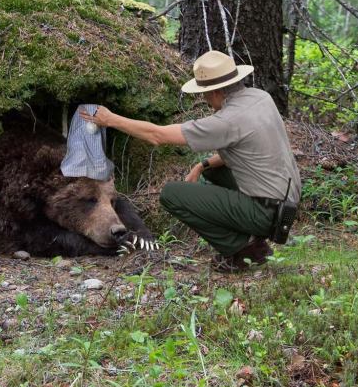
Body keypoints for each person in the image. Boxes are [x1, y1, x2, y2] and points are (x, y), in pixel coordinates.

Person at [79, 50, 301, 272]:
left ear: (214, 92)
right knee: (212, 171)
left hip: (268, 213)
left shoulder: (227, 121)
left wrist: (110, 119)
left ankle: (245, 251)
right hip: (287, 201)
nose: (204, 100)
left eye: (204, 94)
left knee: (173, 194)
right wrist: (201, 166)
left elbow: (158, 136)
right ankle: (251, 236)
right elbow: (246, 149)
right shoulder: (260, 98)